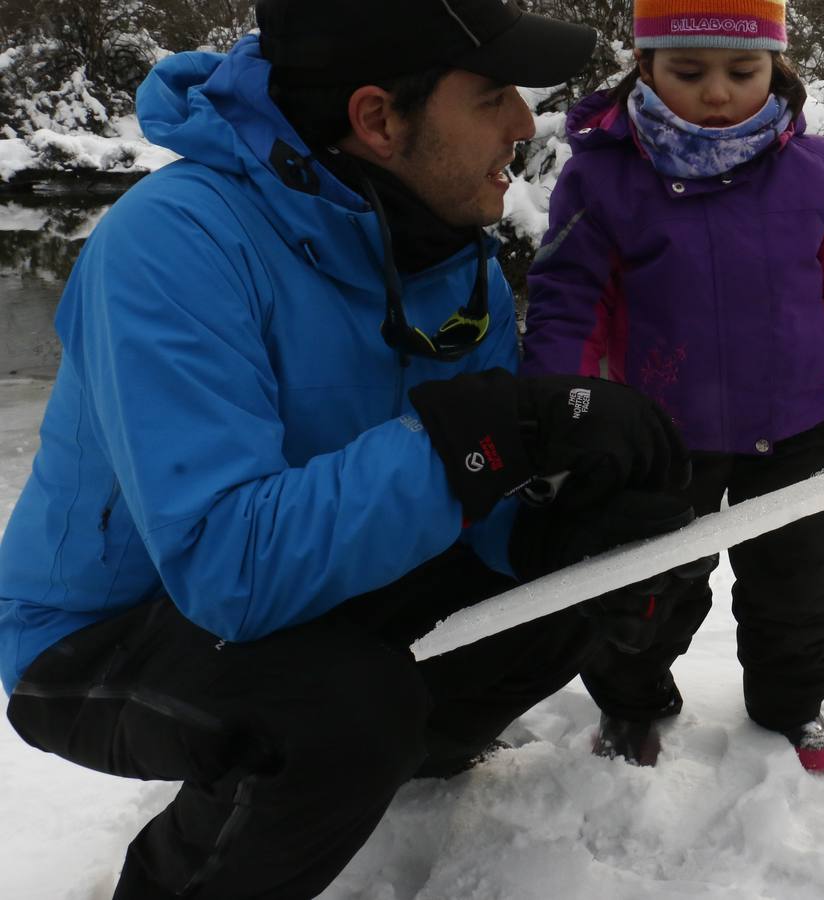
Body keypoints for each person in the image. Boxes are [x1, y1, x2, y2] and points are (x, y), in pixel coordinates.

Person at [0, 1, 699, 897]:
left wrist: (557, 540)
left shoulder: (454, 253)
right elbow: (228, 570)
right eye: (491, 95)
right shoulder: (172, 242)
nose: (526, 123)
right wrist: (484, 438)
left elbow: (461, 497)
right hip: (105, 633)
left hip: (314, 586)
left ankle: (397, 764)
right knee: (338, 715)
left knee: (567, 590)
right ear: (377, 119)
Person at [522, 0, 824, 774]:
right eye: (689, 71)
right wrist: (560, 424)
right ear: (644, 67)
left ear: (775, 68)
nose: (718, 92)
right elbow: (568, 304)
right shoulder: (603, 179)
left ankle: (793, 705)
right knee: (645, 590)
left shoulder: (816, 172)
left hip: (792, 430)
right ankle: (632, 704)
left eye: (742, 71)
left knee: (801, 587)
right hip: (660, 438)